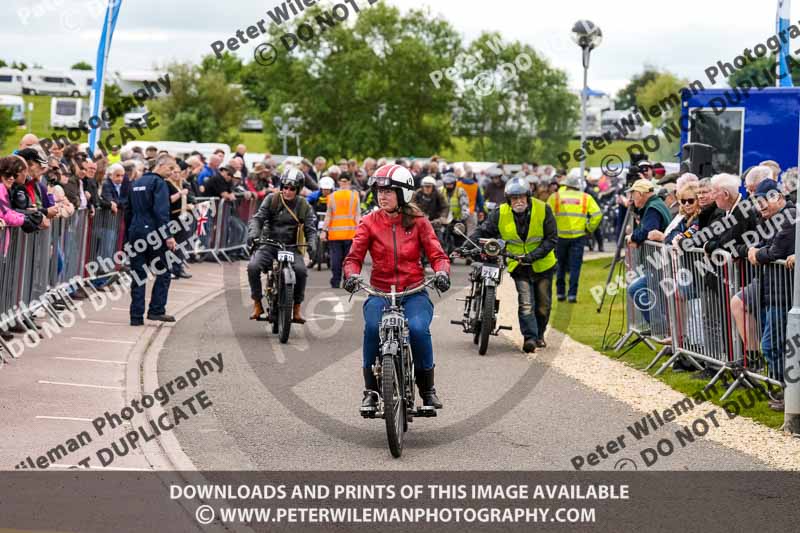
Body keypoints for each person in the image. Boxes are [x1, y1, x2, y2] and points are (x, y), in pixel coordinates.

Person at [342, 164, 451, 413]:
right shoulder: (369, 222)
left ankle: (427, 389)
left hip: (414, 291)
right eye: (380, 190)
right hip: (380, 291)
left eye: (389, 191)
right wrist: (351, 275)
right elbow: (353, 258)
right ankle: (370, 391)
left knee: (418, 329)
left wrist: (442, 272)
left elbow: (438, 254)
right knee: (372, 328)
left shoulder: (420, 221)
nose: (382, 195)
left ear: (404, 193)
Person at [469, 177, 558, 352]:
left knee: (543, 305)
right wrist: (466, 245)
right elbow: (483, 229)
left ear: (528, 196)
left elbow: (551, 239)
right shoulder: (500, 212)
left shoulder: (543, 209)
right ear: (509, 199)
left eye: (521, 197)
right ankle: (529, 338)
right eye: (514, 198)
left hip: (543, 265)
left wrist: (532, 256)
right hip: (519, 266)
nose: (518, 201)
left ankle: (539, 335)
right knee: (526, 303)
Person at [746, 179, 796, 410]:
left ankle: (788, 393)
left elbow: (775, 250)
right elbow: (764, 245)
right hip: (773, 291)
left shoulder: (790, 217)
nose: (760, 207)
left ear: (776, 197)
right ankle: (785, 393)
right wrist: (759, 251)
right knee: (775, 346)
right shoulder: (773, 219)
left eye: (763, 201)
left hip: (784, 295)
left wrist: (759, 253)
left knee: (770, 345)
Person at [247, 167, 316, 324]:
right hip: (269, 244)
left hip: (291, 246)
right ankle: (257, 304)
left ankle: (296, 308)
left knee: (301, 271)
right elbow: (258, 218)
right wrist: (253, 234)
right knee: (253, 267)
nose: (288, 191)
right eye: (285, 187)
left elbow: (311, 229)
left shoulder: (304, 205)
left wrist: (312, 244)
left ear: (298, 189)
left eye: (292, 188)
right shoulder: (272, 199)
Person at [124, 154, 178, 326]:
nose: (171, 173)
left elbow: (128, 211)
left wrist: (128, 235)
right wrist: (168, 235)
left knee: (138, 275)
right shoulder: (159, 183)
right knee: (163, 271)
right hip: (153, 234)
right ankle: (156, 310)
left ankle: (136, 316)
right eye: (170, 168)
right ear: (160, 165)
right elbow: (161, 212)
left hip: (136, 232)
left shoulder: (137, 182)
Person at [547, 175, 602, 303]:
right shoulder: (585, 197)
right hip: (578, 237)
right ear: (577, 186)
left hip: (559, 237)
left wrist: (551, 230)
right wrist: (589, 228)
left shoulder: (555, 197)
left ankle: (560, 293)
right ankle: (572, 295)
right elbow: (597, 215)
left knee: (560, 265)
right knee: (575, 267)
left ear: (565, 185)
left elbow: (547, 215)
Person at [625, 179, 673, 327]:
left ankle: (660, 327)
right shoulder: (655, 204)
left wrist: (633, 237)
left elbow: (648, 231)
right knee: (655, 294)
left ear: (640, 193)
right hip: (658, 259)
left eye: (633, 195)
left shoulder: (653, 207)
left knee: (637, 289)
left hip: (657, 260)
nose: (632, 198)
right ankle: (662, 328)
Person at [322, 172, 360, 289]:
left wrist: (324, 230)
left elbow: (328, 215)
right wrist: (360, 232)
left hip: (335, 234)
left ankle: (335, 281)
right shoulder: (355, 196)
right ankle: (346, 281)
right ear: (349, 182)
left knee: (336, 260)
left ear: (339, 182)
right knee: (348, 260)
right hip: (350, 233)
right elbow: (358, 216)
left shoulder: (332, 197)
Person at [165, 162, 195, 280]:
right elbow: (168, 200)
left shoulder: (183, 183)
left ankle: (178, 267)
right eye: (174, 172)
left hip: (183, 216)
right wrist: (180, 194)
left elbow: (191, 197)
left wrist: (190, 203)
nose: (177, 175)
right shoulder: (166, 184)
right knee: (171, 244)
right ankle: (170, 268)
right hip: (172, 217)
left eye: (178, 172)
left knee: (182, 243)